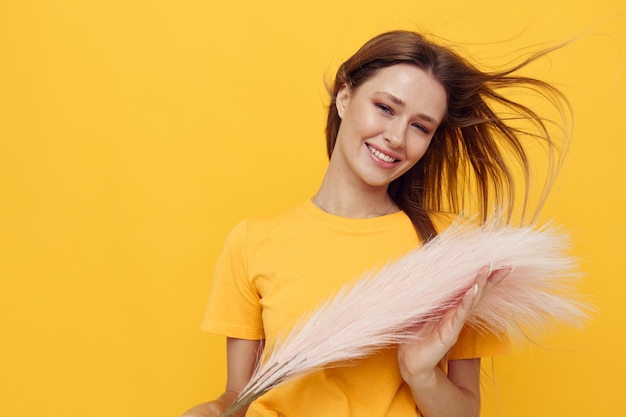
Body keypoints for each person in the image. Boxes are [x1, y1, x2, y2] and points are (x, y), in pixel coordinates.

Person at [181, 30, 569, 417]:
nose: (397, 137)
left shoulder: (454, 247)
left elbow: (464, 413)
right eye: (385, 108)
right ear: (345, 98)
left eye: (421, 126)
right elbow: (237, 395)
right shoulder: (252, 241)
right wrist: (213, 411)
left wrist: (421, 374)